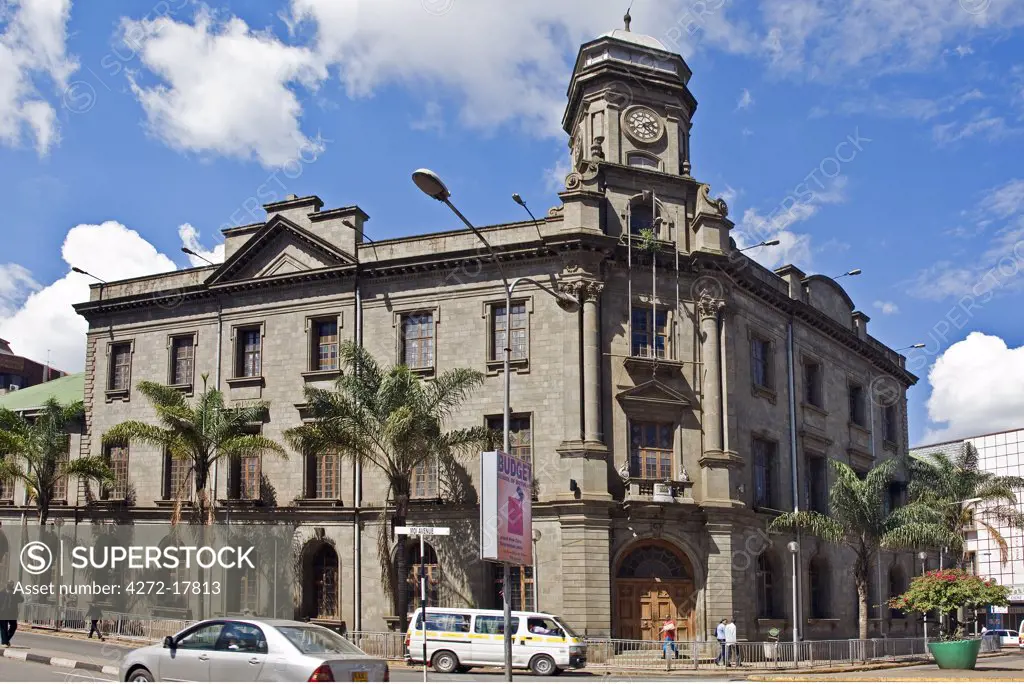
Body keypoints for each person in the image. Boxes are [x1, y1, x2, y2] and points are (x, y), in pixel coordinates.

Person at [0, 581, 23, 646]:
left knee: (14, 626)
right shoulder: (2, 592)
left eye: (12, 583)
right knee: (3, 628)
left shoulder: (15, 592)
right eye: (9, 583)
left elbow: (21, 600)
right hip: (3, 613)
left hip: (12, 613)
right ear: (6, 584)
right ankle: (4, 642)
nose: (10, 585)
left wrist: (17, 594)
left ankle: (6, 640)